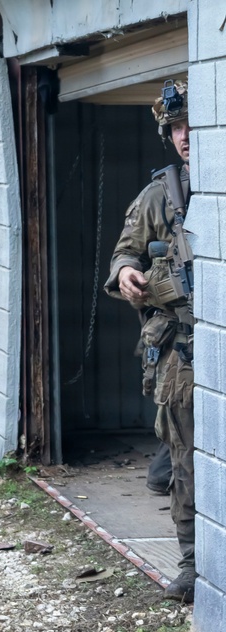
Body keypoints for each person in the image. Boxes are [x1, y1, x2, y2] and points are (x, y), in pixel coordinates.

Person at [104, 80, 195, 602]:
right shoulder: (159, 195)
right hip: (180, 343)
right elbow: (123, 254)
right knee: (184, 457)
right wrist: (127, 276)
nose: (184, 137)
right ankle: (192, 562)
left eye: (191, 126)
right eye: (176, 128)